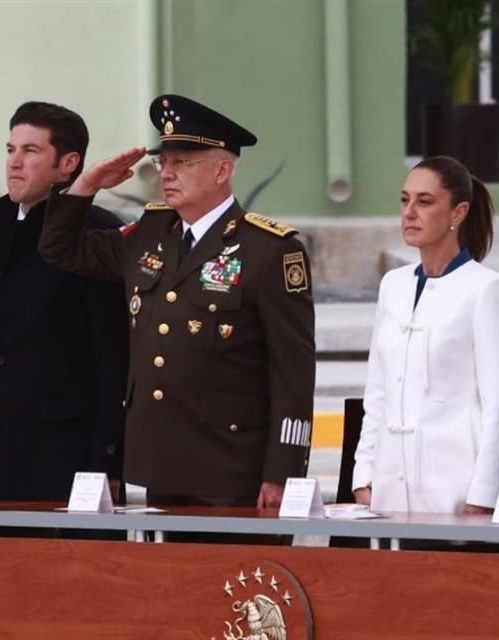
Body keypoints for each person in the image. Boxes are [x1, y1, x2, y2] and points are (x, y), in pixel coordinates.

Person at [37, 95, 315, 525]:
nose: (166, 173)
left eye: (182, 163)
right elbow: (59, 249)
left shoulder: (269, 251)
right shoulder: (149, 234)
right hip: (160, 464)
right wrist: (86, 185)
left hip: (233, 468)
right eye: (163, 162)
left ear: (223, 170)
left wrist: (284, 471)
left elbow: (294, 373)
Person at [0, 101, 128, 506]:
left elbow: (114, 357)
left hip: (67, 460)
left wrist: (109, 460)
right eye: (10, 150)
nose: (14, 163)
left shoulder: (99, 234)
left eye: (31, 151)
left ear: (68, 163)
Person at [351, 156, 499, 541]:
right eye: (404, 200)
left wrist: (484, 494)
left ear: (458, 212)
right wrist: (363, 475)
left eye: (424, 202)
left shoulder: (488, 289)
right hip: (390, 490)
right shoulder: (392, 285)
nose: (409, 213)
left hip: (455, 493)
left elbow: (498, 404)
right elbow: (377, 390)